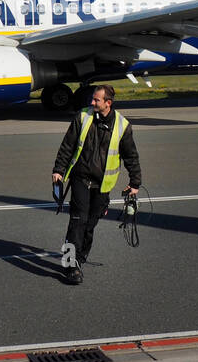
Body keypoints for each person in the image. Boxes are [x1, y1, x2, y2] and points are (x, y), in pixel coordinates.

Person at [51, 84, 141, 284]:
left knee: (90, 224)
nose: (91, 102)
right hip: (80, 178)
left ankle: (80, 258)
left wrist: (135, 183)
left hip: (103, 185)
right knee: (78, 221)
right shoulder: (83, 116)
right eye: (92, 99)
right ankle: (70, 266)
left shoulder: (122, 126)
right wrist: (58, 170)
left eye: (96, 100)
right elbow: (68, 144)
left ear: (108, 103)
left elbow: (131, 156)